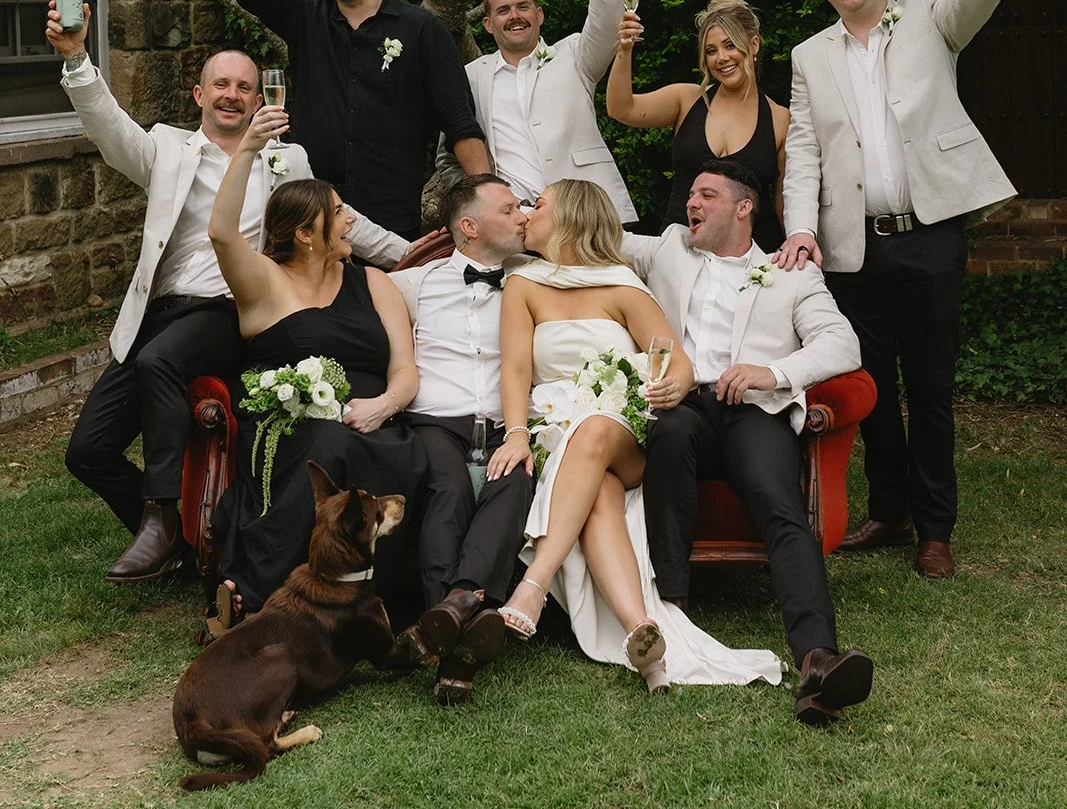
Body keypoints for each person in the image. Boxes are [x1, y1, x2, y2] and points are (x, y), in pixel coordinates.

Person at [777, 0, 1015, 580]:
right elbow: (805, 151)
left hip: (930, 235)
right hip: (855, 249)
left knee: (931, 389)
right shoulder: (809, 56)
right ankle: (889, 510)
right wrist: (800, 228)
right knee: (872, 387)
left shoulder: (927, 15)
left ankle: (935, 528)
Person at [44, 2, 310, 583]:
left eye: (244, 87)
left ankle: (164, 518)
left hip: (228, 311)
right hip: (158, 314)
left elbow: (331, 217)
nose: (232, 95)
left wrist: (409, 251)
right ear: (199, 94)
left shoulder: (283, 160)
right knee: (87, 452)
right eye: (221, 85)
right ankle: (183, 547)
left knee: (160, 361)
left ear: (258, 100)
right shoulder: (167, 149)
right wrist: (77, 59)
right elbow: (111, 129)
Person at [493, 179, 783, 694]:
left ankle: (534, 583)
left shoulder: (622, 283)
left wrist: (673, 384)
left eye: (539, 205)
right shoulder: (523, 284)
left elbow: (675, 359)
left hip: (622, 432)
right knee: (599, 489)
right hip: (555, 429)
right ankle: (642, 636)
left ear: (571, 219)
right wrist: (516, 435)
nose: (527, 213)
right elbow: (515, 369)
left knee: (596, 431)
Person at [622, 160, 872, 726]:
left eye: (707, 195)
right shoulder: (668, 249)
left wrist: (773, 373)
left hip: (754, 411)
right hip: (684, 405)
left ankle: (817, 661)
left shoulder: (789, 274)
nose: (692, 203)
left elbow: (843, 344)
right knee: (671, 433)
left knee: (781, 506)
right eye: (691, 194)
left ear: (744, 207)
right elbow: (595, 234)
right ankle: (673, 617)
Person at [137, 0, 489, 239]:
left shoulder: (421, 30)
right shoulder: (305, 22)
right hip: (308, 218)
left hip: (391, 221)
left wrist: (490, 204)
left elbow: (460, 125)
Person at [205, 105, 427, 628]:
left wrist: (383, 406)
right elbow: (221, 233)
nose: (352, 220)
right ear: (306, 234)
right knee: (327, 447)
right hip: (287, 424)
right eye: (340, 212)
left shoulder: (374, 282)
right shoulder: (265, 282)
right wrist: (248, 148)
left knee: (405, 456)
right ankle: (257, 597)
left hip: (373, 420)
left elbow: (405, 369)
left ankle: (367, 604)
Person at [390, 174, 534, 705]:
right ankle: (463, 622)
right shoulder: (413, 285)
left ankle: (452, 611)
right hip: (435, 420)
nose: (523, 216)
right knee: (447, 487)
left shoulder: (536, 280)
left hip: (505, 423)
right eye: (508, 209)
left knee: (515, 481)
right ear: (469, 227)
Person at [438, 0, 636, 224]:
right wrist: (485, 200)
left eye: (523, 7)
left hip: (588, 216)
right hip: (517, 225)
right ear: (488, 24)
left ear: (539, 15)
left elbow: (607, 16)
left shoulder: (574, 56)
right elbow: (449, 156)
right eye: (503, 11)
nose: (515, 16)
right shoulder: (469, 77)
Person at [608, 0, 788, 246]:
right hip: (679, 249)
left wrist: (795, 249)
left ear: (754, 44)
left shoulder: (780, 119)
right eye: (711, 51)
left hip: (752, 255)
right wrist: (625, 48)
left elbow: (785, 204)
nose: (721, 58)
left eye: (730, 45)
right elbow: (621, 109)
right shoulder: (688, 99)